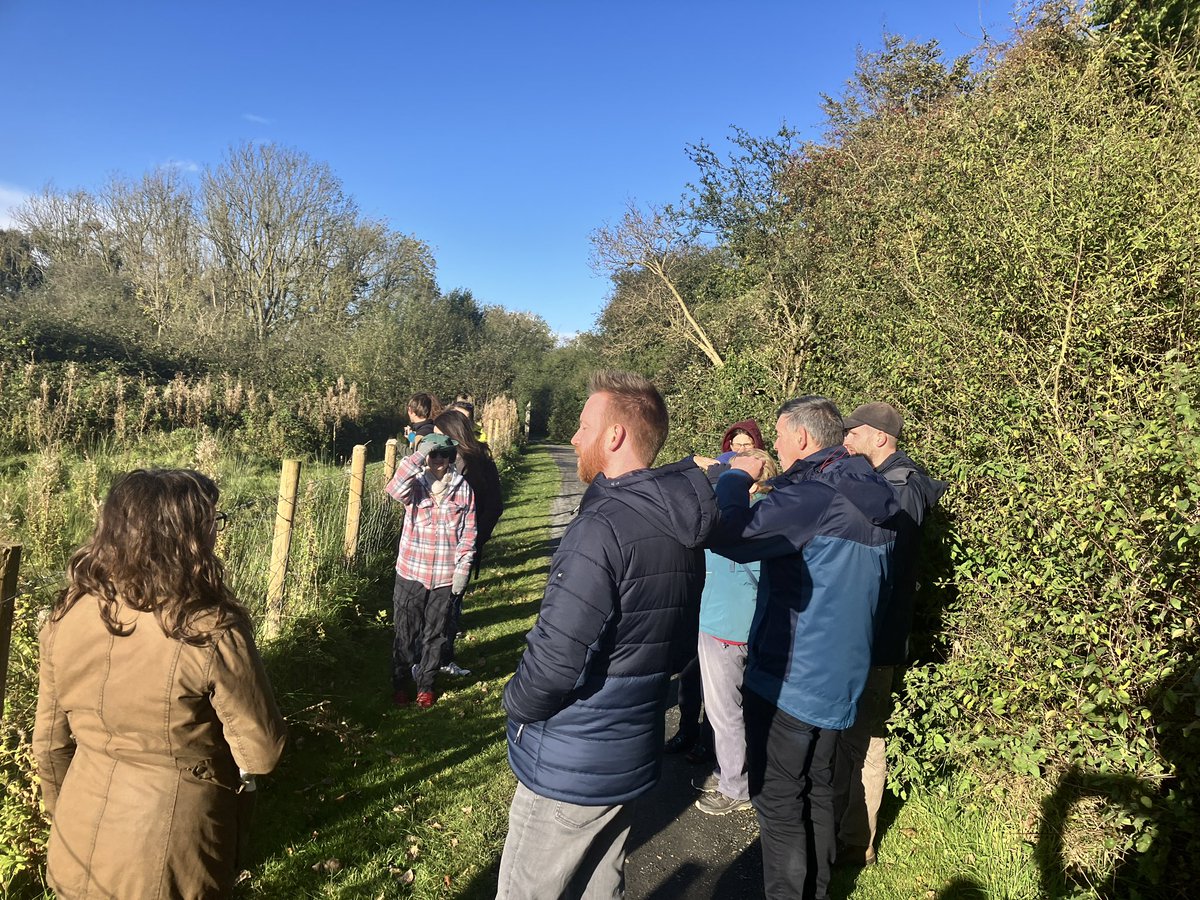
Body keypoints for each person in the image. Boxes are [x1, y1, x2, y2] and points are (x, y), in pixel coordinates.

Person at [497, 371, 717, 899]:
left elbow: (555, 663)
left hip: (571, 763)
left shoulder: (602, 528)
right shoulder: (680, 525)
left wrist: (517, 706)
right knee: (601, 885)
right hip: (629, 752)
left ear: (615, 435)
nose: (575, 437)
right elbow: (681, 647)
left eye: (584, 425)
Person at [33, 469, 287, 899]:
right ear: (187, 538)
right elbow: (262, 752)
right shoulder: (209, 629)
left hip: (76, 844)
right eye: (211, 522)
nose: (216, 534)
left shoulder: (66, 615)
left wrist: (66, 816)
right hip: (171, 857)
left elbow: (49, 746)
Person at [707, 396, 898, 900]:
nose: (776, 444)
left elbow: (733, 534)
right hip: (840, 677)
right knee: (817, 790)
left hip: (790, 675)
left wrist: (734, 478)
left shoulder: (817, 495)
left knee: (778, 801)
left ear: (802, 437)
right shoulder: (871, 490)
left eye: (779, 434)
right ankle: (818, 890)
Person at [834, 402, 948, 866]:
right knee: (849, 732)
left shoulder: (902, 487)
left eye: (853, 432)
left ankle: (856, 842)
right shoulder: (887, 481)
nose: (845, 439)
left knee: (866, 737)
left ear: (880, 437)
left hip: (877, 635)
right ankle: (841, 826)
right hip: (864, 629)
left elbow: (884, 562)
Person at [691, 447, 780, 816]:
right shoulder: (772, 516)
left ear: (752, 482)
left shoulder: (738, 521)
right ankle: (731, 772)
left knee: (724, 711)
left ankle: (735, 787)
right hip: (746, 624)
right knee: (739, 709)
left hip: (724, 625)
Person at [384, 432, 476, 708]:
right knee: (405, 633)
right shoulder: (415, 485)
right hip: (411, 573)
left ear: (451, 458)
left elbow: (469, 533)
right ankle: (401, 683)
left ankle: (426, 686)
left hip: (444, 577)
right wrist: (419, 454)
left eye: (444, 454)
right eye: (433, 454)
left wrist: (462, 569)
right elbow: (394, 488)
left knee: (436, 635)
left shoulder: (463, 489)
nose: (438, 459)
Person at [432, 408, 505, 675]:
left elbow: (494, 506)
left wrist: (473, 541)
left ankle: (441, 658)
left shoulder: (476, 463)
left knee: (449, 603)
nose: (434, 441)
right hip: (436, 546)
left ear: (452, 434)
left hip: (459, 547)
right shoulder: (440, 460)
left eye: (439, 435)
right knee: (442, 604)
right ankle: (431, 657)